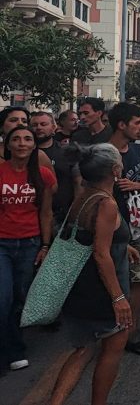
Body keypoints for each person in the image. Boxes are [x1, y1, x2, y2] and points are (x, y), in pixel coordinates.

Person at [50, 143, 133, 405]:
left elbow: (91, 235)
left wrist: (123, 244)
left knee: (82, 350)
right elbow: (100, 253)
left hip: (79, 286)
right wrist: (118, 298)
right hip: (103, 289)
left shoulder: (84, 195)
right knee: (112, 350)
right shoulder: (106, 203)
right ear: (115, 170)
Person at [0, 126, 55, 372]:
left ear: (34, 145)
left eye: (27, 139)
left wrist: (45, 244)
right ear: (8, 145)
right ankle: (8, 349)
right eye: (16, 139)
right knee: (3, 298)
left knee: (20, 298)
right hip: (2, 243)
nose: (22, 143)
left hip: (30, 243)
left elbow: (46, 212)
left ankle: (13, 347)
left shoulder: (43, 175)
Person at [106, 102, 140, 356]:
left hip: (137, 229)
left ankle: (130, 331)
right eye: (137, 123)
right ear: (121, 124)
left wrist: (134, 185)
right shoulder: (102, 154)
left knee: (139, 279)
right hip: (112, 232)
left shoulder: (137, 151)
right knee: (115, 283)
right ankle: (111, 331)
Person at [30, 111, 79, 224]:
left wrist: (76, 210)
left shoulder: (67, 152)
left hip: (63, 215)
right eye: (34, 125)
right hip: (31, 214)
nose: (38, 128)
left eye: (43, 124)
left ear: (53, 127)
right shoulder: (23, 154)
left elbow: (78, 182)